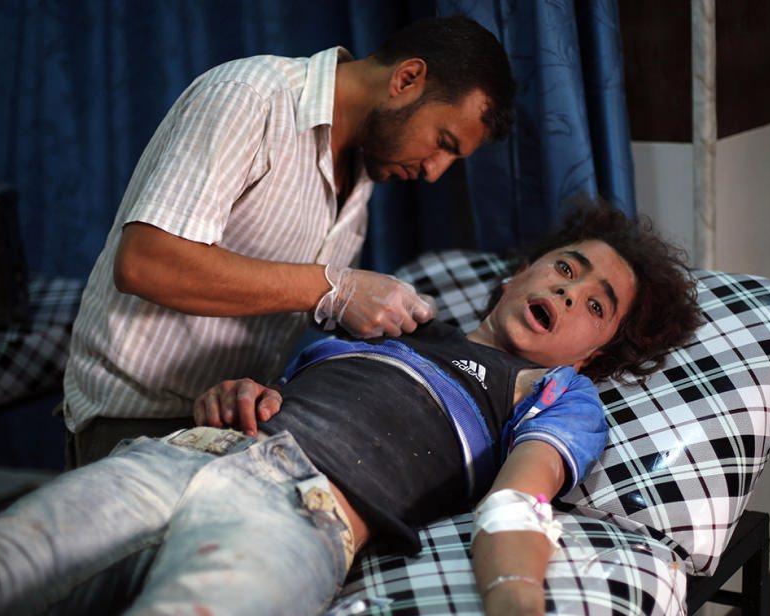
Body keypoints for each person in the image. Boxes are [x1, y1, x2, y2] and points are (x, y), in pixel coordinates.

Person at [0, 202, 703, 616]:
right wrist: (237, 393)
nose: (570, 292)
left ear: (593, 354)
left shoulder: (554, 392)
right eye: (566, 267)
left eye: (596, 304)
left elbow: (517, 503)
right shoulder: (387, 325)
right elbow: (284, 395)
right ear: (516, 276)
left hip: (299, 518)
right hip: (186, 455)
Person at [62, 15, 516, 468]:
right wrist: (333, 287)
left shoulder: (364, 163)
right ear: (407, 79)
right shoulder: (250, 97)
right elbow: (146, 263)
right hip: (135, 421)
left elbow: (291, 298)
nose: (435, 171)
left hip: (232, 415)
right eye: (443, 142)